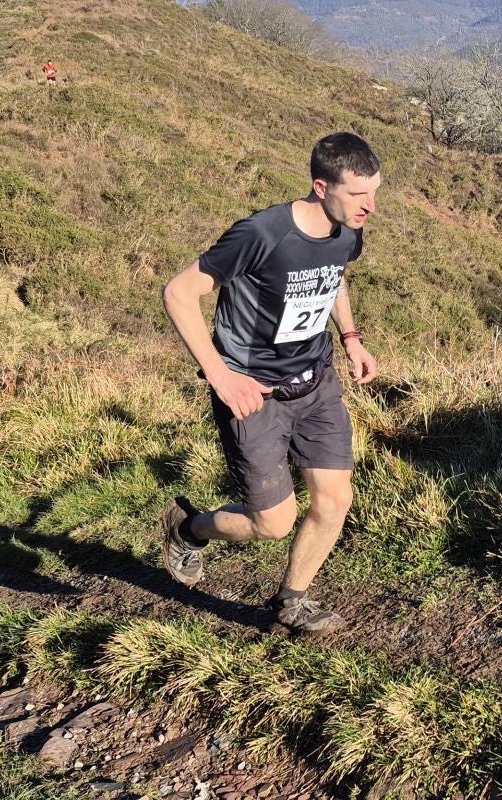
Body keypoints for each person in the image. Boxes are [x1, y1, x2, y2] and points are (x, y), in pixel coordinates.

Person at [159, 131, 381, 633]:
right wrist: (220, 375)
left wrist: (350, 338)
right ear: (320, 187)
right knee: (273, 523)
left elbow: (335, 275)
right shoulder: (262, 233)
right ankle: (189, 527)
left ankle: (292, 602)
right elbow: (178, 293)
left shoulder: (349, 228)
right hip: (254, 393)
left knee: (334, 500)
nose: (369, 206)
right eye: (357, 194)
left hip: (316, 381)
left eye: (374, 193)